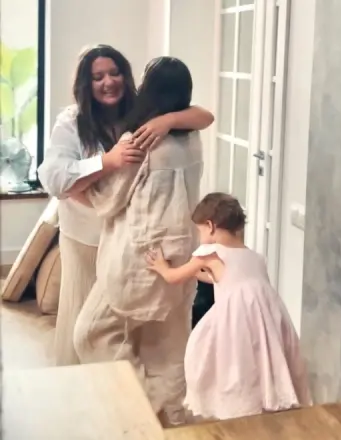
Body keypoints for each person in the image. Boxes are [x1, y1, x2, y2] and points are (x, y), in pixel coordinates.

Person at [37, 44, 214, 366]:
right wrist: (107, 162)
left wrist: (169, 119)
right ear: (85, 84)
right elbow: (55, 179)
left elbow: (204, 116)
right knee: (87, 326)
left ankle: (131, 388)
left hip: (128, 243)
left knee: (132, 332)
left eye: (115, 73)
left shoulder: (146, 112)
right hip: (87, 239)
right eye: (98, 77)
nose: (108, 82)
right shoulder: (72, 121)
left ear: (128, 76)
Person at [70, 56, 205, 427]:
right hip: (181, 254)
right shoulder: (191, 137)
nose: (109, 81)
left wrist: (79, 190)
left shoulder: (141, 140)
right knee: (169, 345)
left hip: (140, 258)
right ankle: (170, 419)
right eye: (99, 76)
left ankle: (141, 404)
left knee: (92, 332)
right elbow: (203, 116)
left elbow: (110, 198)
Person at [144, 192, 312, 421]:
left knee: (230, 361)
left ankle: (237, 407)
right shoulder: (255, 257)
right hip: (266, 317)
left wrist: (162, 266)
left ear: (210, 226)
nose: (200, 237)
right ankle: (267, 400)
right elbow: (225, 279)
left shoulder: (210, 253)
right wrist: (197, 273)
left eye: (200, 231)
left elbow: (174, 277)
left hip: (237, 319)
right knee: (261, 359)